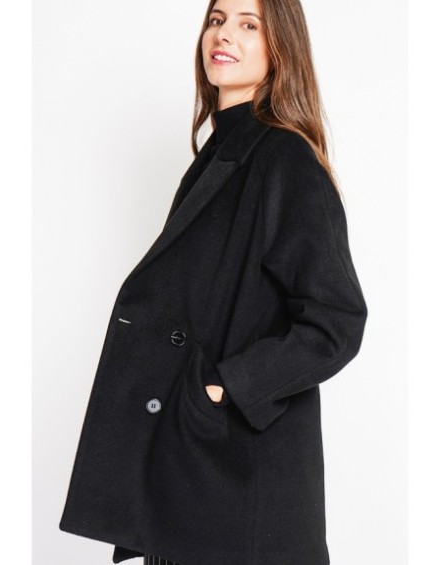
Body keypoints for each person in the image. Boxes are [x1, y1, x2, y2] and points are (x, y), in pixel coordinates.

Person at [59, 0, 368, 564]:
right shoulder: (219, 153)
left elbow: (337, 320)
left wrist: (224, 386)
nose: (224, 35)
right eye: (217, 19)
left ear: (282, 48)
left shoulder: (284, 159)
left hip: (235, 475)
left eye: (249, 25)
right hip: (194, 463)